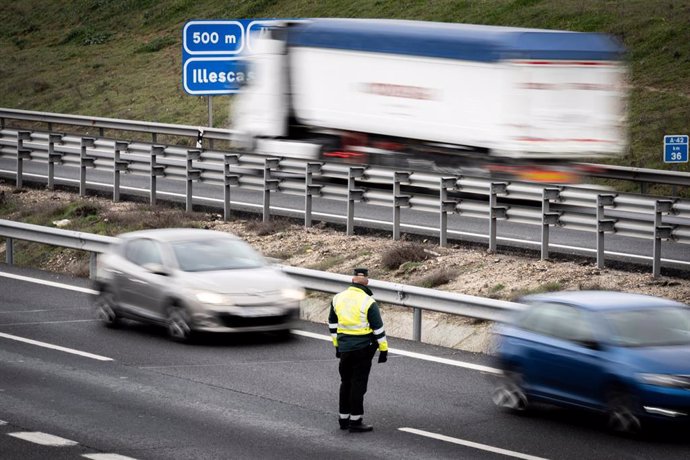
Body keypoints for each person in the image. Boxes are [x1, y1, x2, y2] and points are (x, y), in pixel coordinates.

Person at [328, 268, 388, 433]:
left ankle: (343, 419)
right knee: (358, 384)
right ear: (367, 282)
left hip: (345, 349)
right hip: (363, 349)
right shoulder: (368, 302)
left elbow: (332, 324)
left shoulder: (337, 298)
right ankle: (356, 420)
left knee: (345, 383)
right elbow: (378, 329)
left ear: (352, 281)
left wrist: (337, 346)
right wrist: (383, 350)